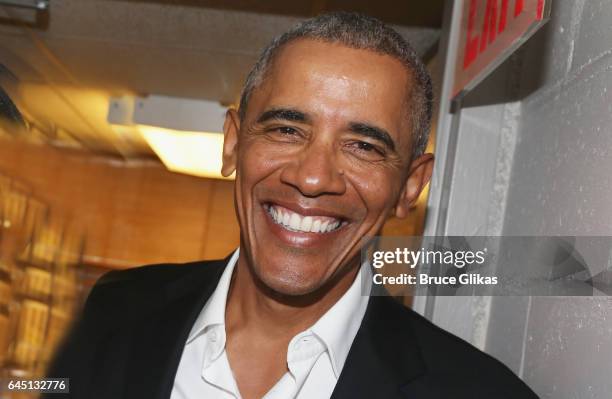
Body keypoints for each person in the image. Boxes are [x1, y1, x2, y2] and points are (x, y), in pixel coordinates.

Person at [46, 12, 538, 399]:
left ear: (410, 186)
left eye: (364, 146)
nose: (312, 176)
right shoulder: (115, 311)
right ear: (233, 145)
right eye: (286, 129)